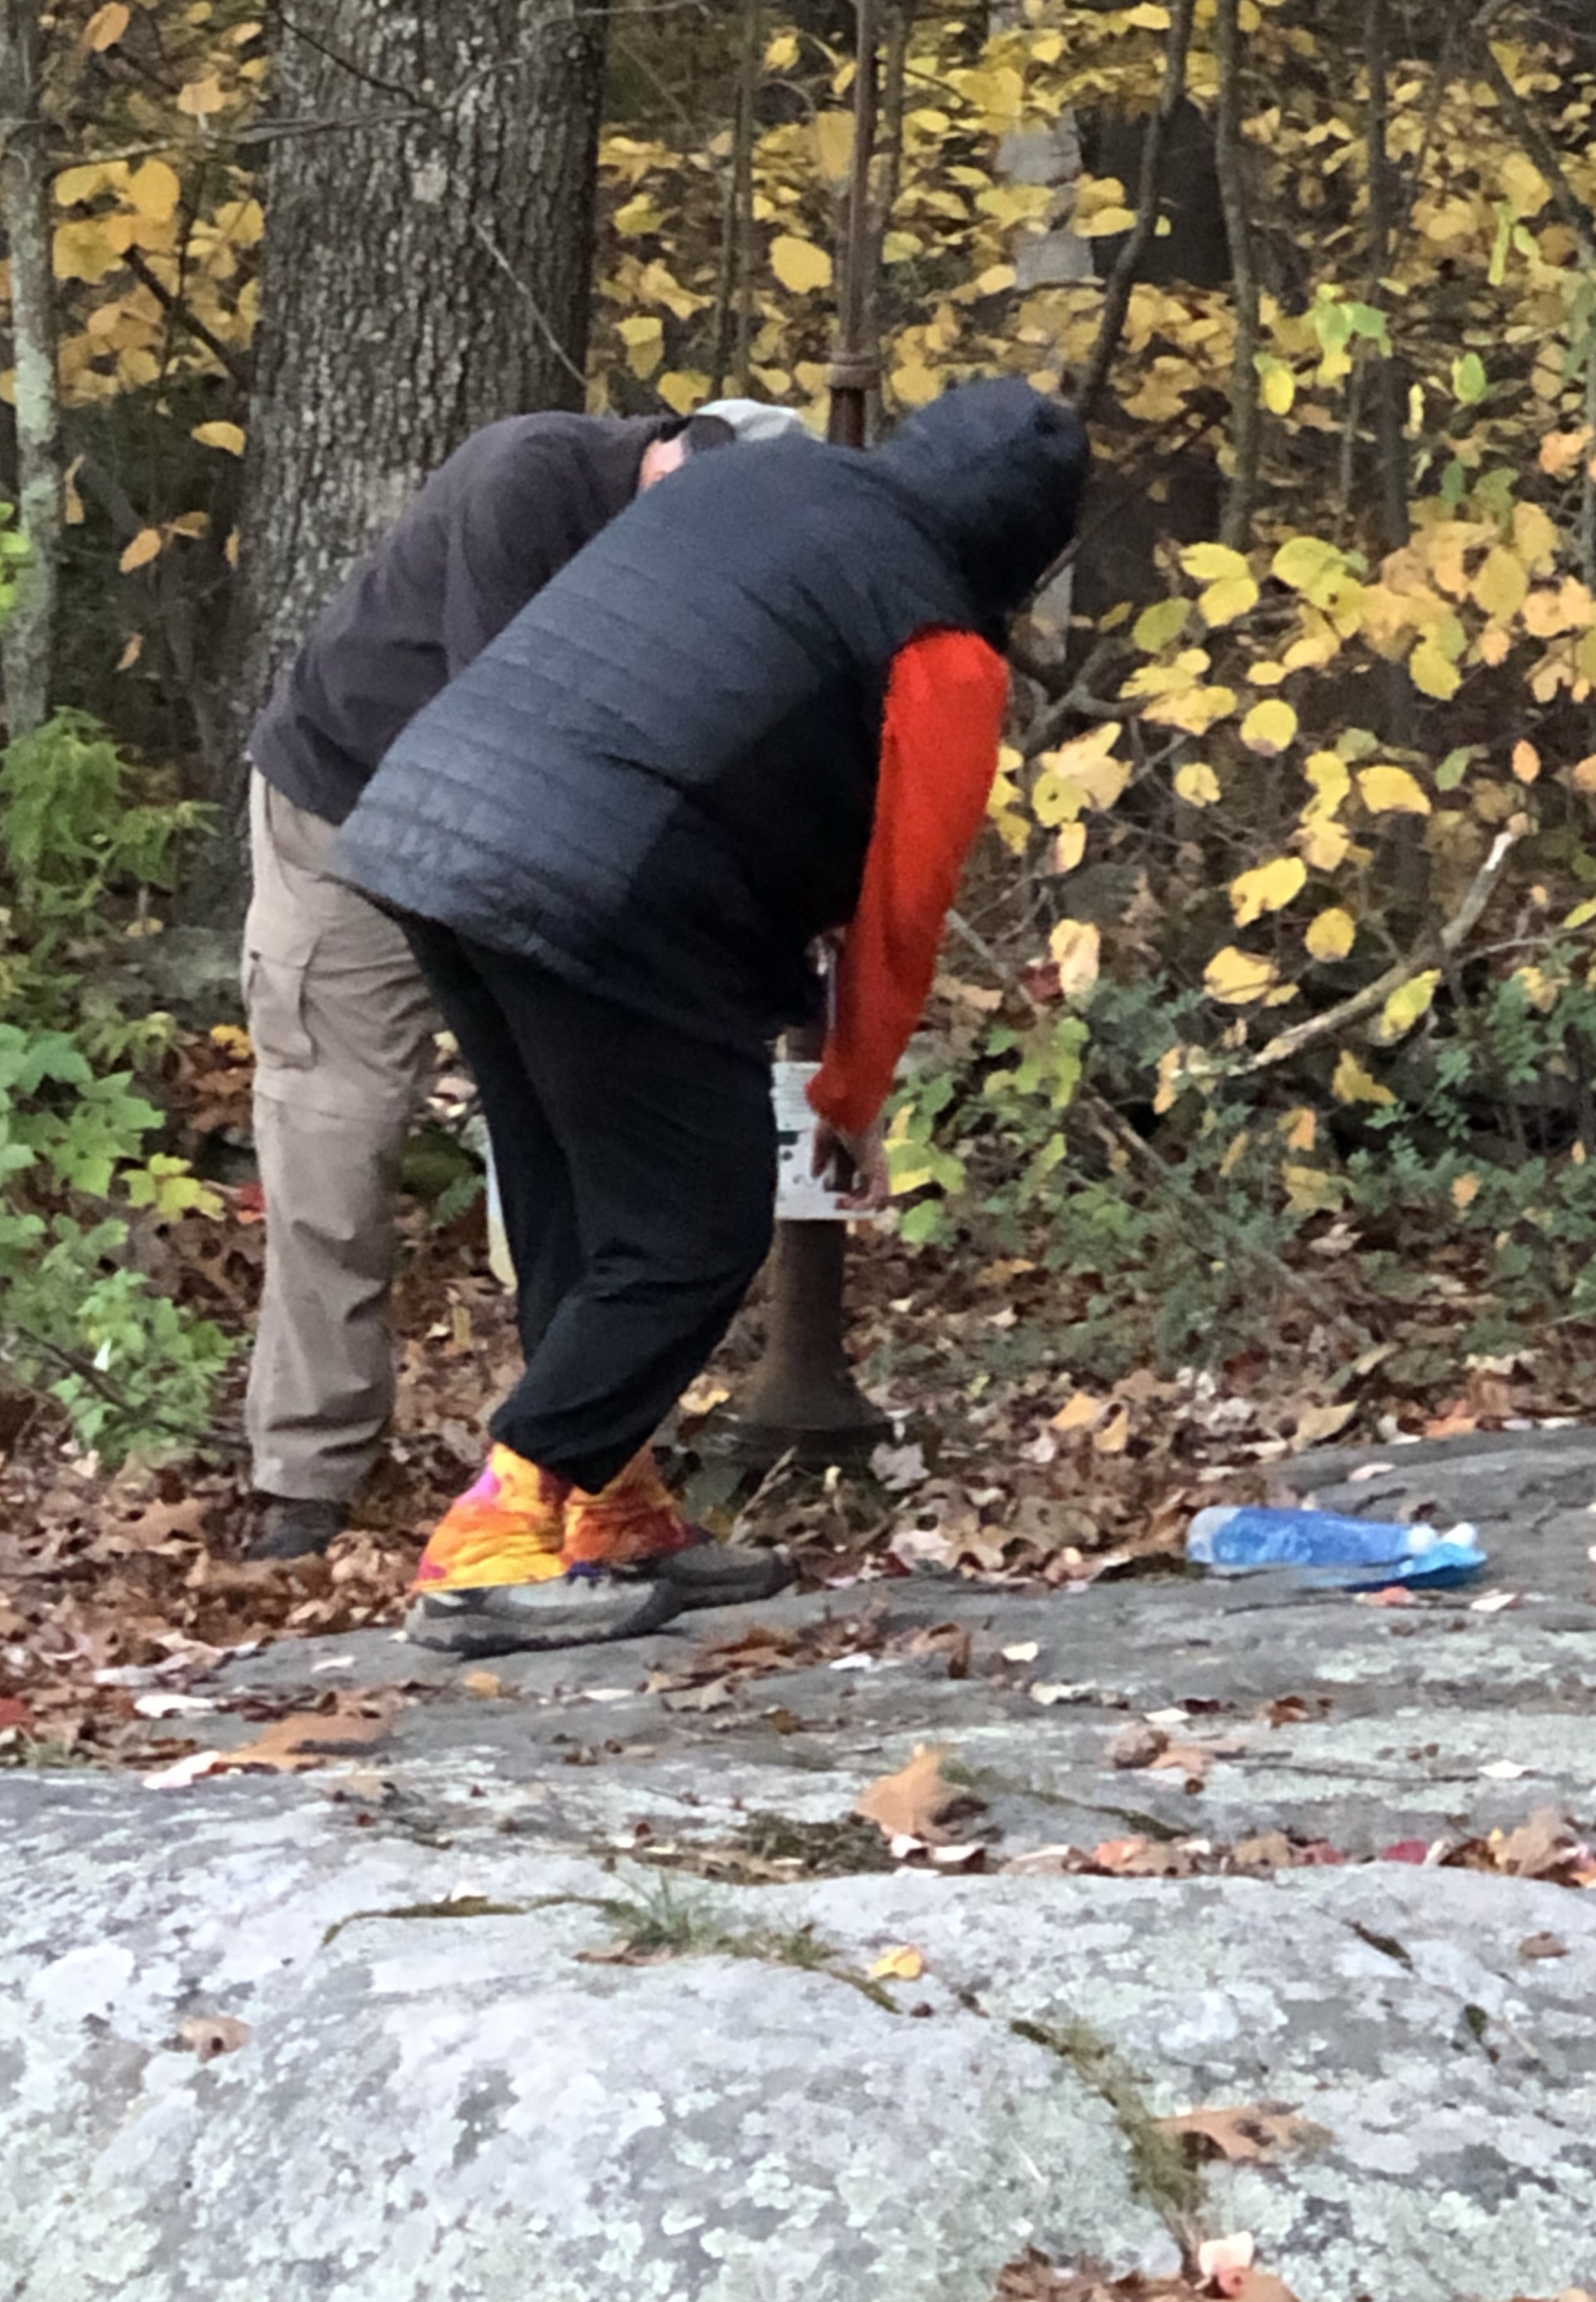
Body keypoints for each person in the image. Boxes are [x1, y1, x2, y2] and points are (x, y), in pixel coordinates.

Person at [330, 376, 1090, 1656]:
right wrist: (849, 1101)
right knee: (701, 1216)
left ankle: (611, 1505)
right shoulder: (942, 645)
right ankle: (498, 1530)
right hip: (598, 878)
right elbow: (899, 914)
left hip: (425, 827)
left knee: (578, 1190)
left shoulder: (743, 478)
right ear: (1030, 547)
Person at [240, 398, 807, 1559]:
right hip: (348, 812)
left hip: (509, 842)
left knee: (571, 1136)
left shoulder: (709, 567)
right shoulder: (527, 481)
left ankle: (579, 1472)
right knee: (336, 1137)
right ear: (671, 457)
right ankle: (306, 1473)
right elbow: (515, 728)